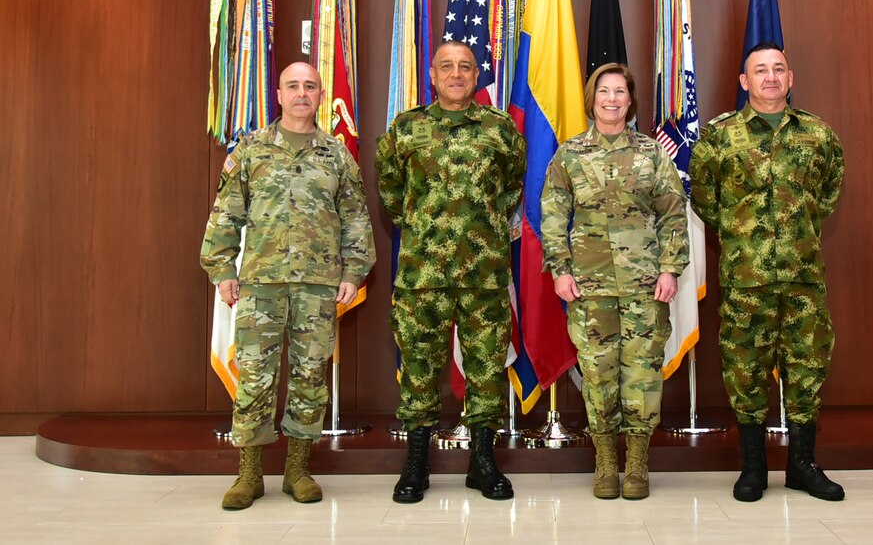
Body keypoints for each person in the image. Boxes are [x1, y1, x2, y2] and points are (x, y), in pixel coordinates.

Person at [200, 62, 376, 510]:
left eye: (310, 86)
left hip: (318, 287)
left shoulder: (336, 155)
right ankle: (250, 474)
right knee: (255, 378)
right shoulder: (252, 150)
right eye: (293, 86)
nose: (302, 93)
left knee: (309, 377)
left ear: (320, 96)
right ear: (278, 95)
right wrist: (221, 269)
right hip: (261, 284)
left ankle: (298, 469)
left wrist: (353, 273)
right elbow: (225, 214)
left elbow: (356, 219)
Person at [689, 42, 845, 502]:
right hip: (745, 279)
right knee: (745, 370)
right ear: (745, 81)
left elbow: (830, 191)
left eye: (778, 69)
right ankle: (753, 468)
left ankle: (802, 465)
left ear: (790, 78)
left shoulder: (817, 134)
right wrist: (745, 239)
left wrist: (797, 231)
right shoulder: (720, 137)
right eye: (760, 70)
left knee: (808, 367)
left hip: (802, 276)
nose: (771, 77)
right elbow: (705, 198)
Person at [375, 41, 526, 504]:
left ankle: (482, 463)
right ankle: (417, 464)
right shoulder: (406, 129)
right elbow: (390, 191)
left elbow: (512, 187)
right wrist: (426, 229)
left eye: (465, 67)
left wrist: (482, 229)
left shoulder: (500, 130)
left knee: (485, 372)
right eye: (447, 67)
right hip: (423, 275)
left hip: (484, 274)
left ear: (477, 75)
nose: (456, 74)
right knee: (419, 370)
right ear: (432, 75)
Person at [540, 63, 690, 500]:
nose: (611, 99)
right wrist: (561, 269)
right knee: (598, 374)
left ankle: (638, 464)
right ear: (592, 99)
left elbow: (672, 213)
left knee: (642, 376)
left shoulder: (650, 152)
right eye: (604, 91)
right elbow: (552, 215)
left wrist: (669, 268)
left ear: (630, 99)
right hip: (588, 286)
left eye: (620, 92)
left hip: (645, 284)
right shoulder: (569, 154)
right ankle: (606, 463)